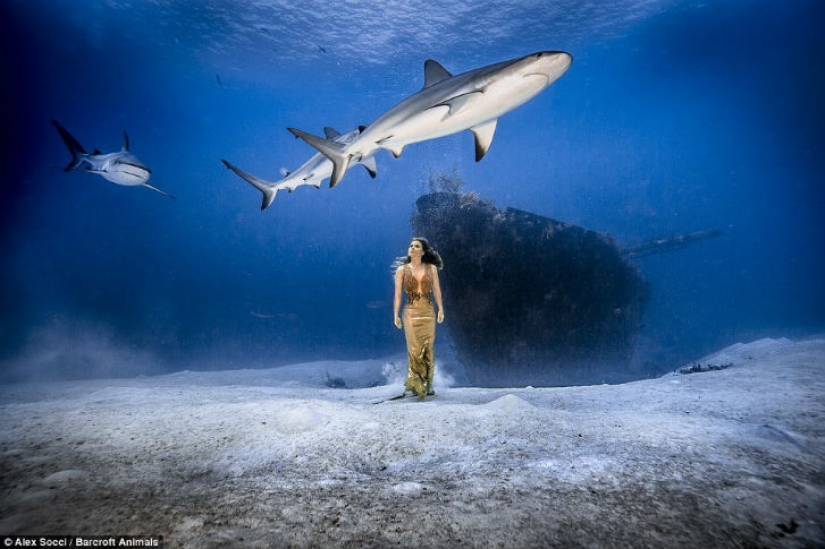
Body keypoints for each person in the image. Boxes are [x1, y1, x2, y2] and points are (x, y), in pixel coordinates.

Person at [393, 237, 445, 398]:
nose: (412, 248)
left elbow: (437, 290)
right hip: (410, 314)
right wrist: (395, 315)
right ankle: (416, 384)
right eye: (411, 246)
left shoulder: (431, 268)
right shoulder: (401, 270)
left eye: (416, 246)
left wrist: (441, 309)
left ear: (422, 252)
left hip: (428, 313)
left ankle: (428, 384)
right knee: (414, 350)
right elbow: (397, 295)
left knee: (428, 348)